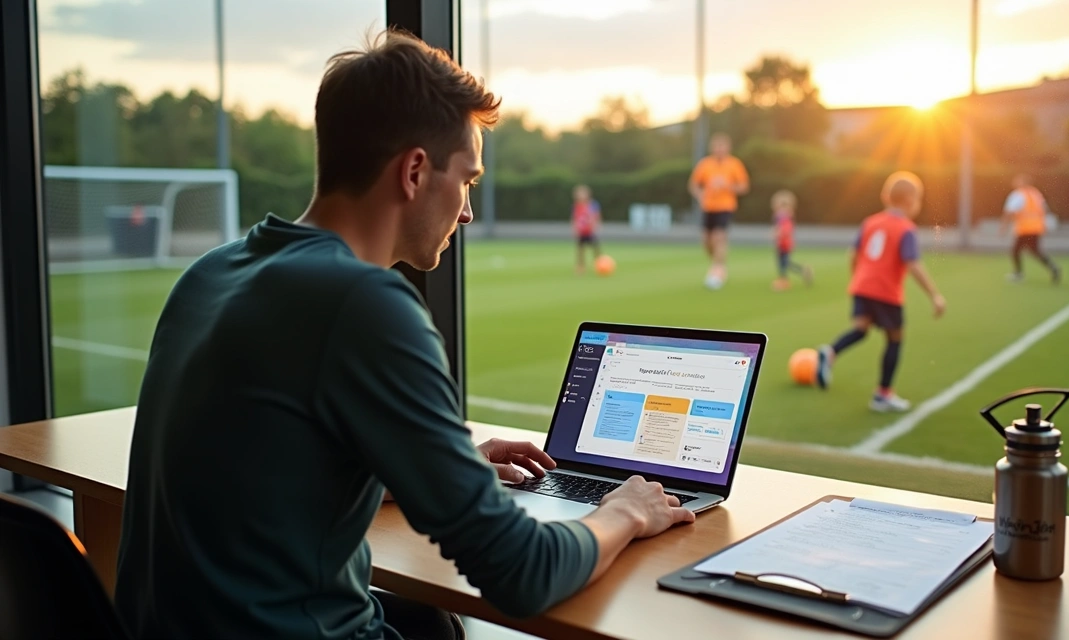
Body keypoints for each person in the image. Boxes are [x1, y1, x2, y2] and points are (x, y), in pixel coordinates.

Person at [113, 30, 693, 640]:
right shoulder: (363, 302)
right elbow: (522, 571)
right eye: (467, 180)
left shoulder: (214, 271)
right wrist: (623, 512)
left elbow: (260, 470)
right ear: (415, 170)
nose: (467, 210)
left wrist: (446, 468)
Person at [814, 171, 946, 413]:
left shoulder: (870, 222)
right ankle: (883, 394)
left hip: (862, 286)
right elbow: (913, 263)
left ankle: (830, 352)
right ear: (910, 201)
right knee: (895, 338)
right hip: (886, 292)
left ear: (886, 197)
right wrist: (934, 295)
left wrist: (857, 279)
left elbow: (853, 254)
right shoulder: (906, 229)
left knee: (860, 329)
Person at [689, 133, 749, 289]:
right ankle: (717, 264)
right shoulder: (705, 164)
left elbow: (743, 187)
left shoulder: (734, 164)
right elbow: (693, 185)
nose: (719, 149)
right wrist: (700, 195)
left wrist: (727, 186)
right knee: (707, 241)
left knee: (719, 237)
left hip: (725, 206)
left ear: (728, 148)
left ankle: (717, 270)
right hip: (708, 207)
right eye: (717, 146)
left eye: (722, 146)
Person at [1002, 173, 1060, 284]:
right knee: (1034, 251)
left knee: (1016, 250)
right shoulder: (1036, 193)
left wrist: (1004, 227)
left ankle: (1018, 273)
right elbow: (1044, 209)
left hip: (1024, 228)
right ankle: (1053, 267)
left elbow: (1009, 211)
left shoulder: (1018, 195)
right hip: (1036, 227)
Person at [771, 189, 812, 290]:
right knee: (784, 262)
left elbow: (785, 230)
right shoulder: (783, 216)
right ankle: (788, 276)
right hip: (783, 242)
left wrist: (778, 234)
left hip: (784, 243)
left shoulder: (784, 217)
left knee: (784, 262)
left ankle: (786, 279)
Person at [571, 184, 602, 274]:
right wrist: (574, 229)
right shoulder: (576, 206)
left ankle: (599, 264)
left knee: (595, 248)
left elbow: (597, 216)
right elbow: (574, 218)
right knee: (580, 249)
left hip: (590, 231)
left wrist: (596, 226)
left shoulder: (592, 204)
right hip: (581, 231)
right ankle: (581, 266)